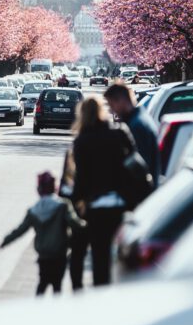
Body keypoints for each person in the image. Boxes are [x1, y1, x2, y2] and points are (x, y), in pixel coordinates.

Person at [71, 98, 137, 287]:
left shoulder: (82, 141)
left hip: (96, 206)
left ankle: (100, 291)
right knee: (118, 254)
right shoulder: (119, 133)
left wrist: (76, 205)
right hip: (120, 204)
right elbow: (134, 163)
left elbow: (81, 179)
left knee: (99, 255)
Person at [0, 171, 85, 296]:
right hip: (59, 254)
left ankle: (37, 309)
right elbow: (75, 223)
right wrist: (89, 226)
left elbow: (20, 230)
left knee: (42, 283)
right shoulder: (63, 205)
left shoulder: (33, 211)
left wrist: (5, 241)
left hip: (43, 255)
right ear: (54, 188)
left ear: (39, 190)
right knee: (57, 286)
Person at [104, 81, 160, 187]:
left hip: (141, 194)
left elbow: (139, 167)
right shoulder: (140, 118)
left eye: (112, 105)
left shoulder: (136, 126)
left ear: (122, 100)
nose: (111, 110)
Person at [59, 147, 88, 291]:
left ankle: (77, 289)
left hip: (80, 211)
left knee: (77, 254)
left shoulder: (76, 147)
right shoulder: (115, 140)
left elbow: (66, 187)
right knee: (102, 255)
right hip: (106, 212)